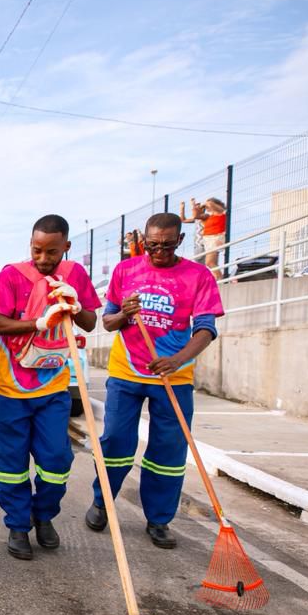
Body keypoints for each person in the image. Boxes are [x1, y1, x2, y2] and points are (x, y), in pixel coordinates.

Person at [86, 213, 224, 549]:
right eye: (152, 245)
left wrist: (177, 360)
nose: (158, 251)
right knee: (116, 442)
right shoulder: (126, 270)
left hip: (172, 377)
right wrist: (124, 314)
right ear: (143, 241)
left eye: (165, 245)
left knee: (168, 450)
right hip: (126, 372)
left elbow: (206, 329)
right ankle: (102, 502)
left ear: (179, 241)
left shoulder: (198, 275)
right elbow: (108, 322)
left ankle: (159, 520)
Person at [0, 215, 101, 560]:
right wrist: (38, 322)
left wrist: (76, 304)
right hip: (11, 388)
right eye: (37, 250)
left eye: (51, 252)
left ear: (66, 247)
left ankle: (44, 515)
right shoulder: (12, 275)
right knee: (11, 463)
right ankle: (18, 525)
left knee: (56, 459)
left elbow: (91, 321)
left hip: (53, 388)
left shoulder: (75, 275)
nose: (43, 258)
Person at [185, 198, 227, 279]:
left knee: (209, 262)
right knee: (213, 262)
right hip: (207, 240)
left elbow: (213, 205)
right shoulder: (208, 216)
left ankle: (220, 279)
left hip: (216, 238)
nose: (206, 207)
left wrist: (205, 203)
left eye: (208, 204)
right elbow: (196, 216)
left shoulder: (220, 212)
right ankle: (218, 278)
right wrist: (194, 205)